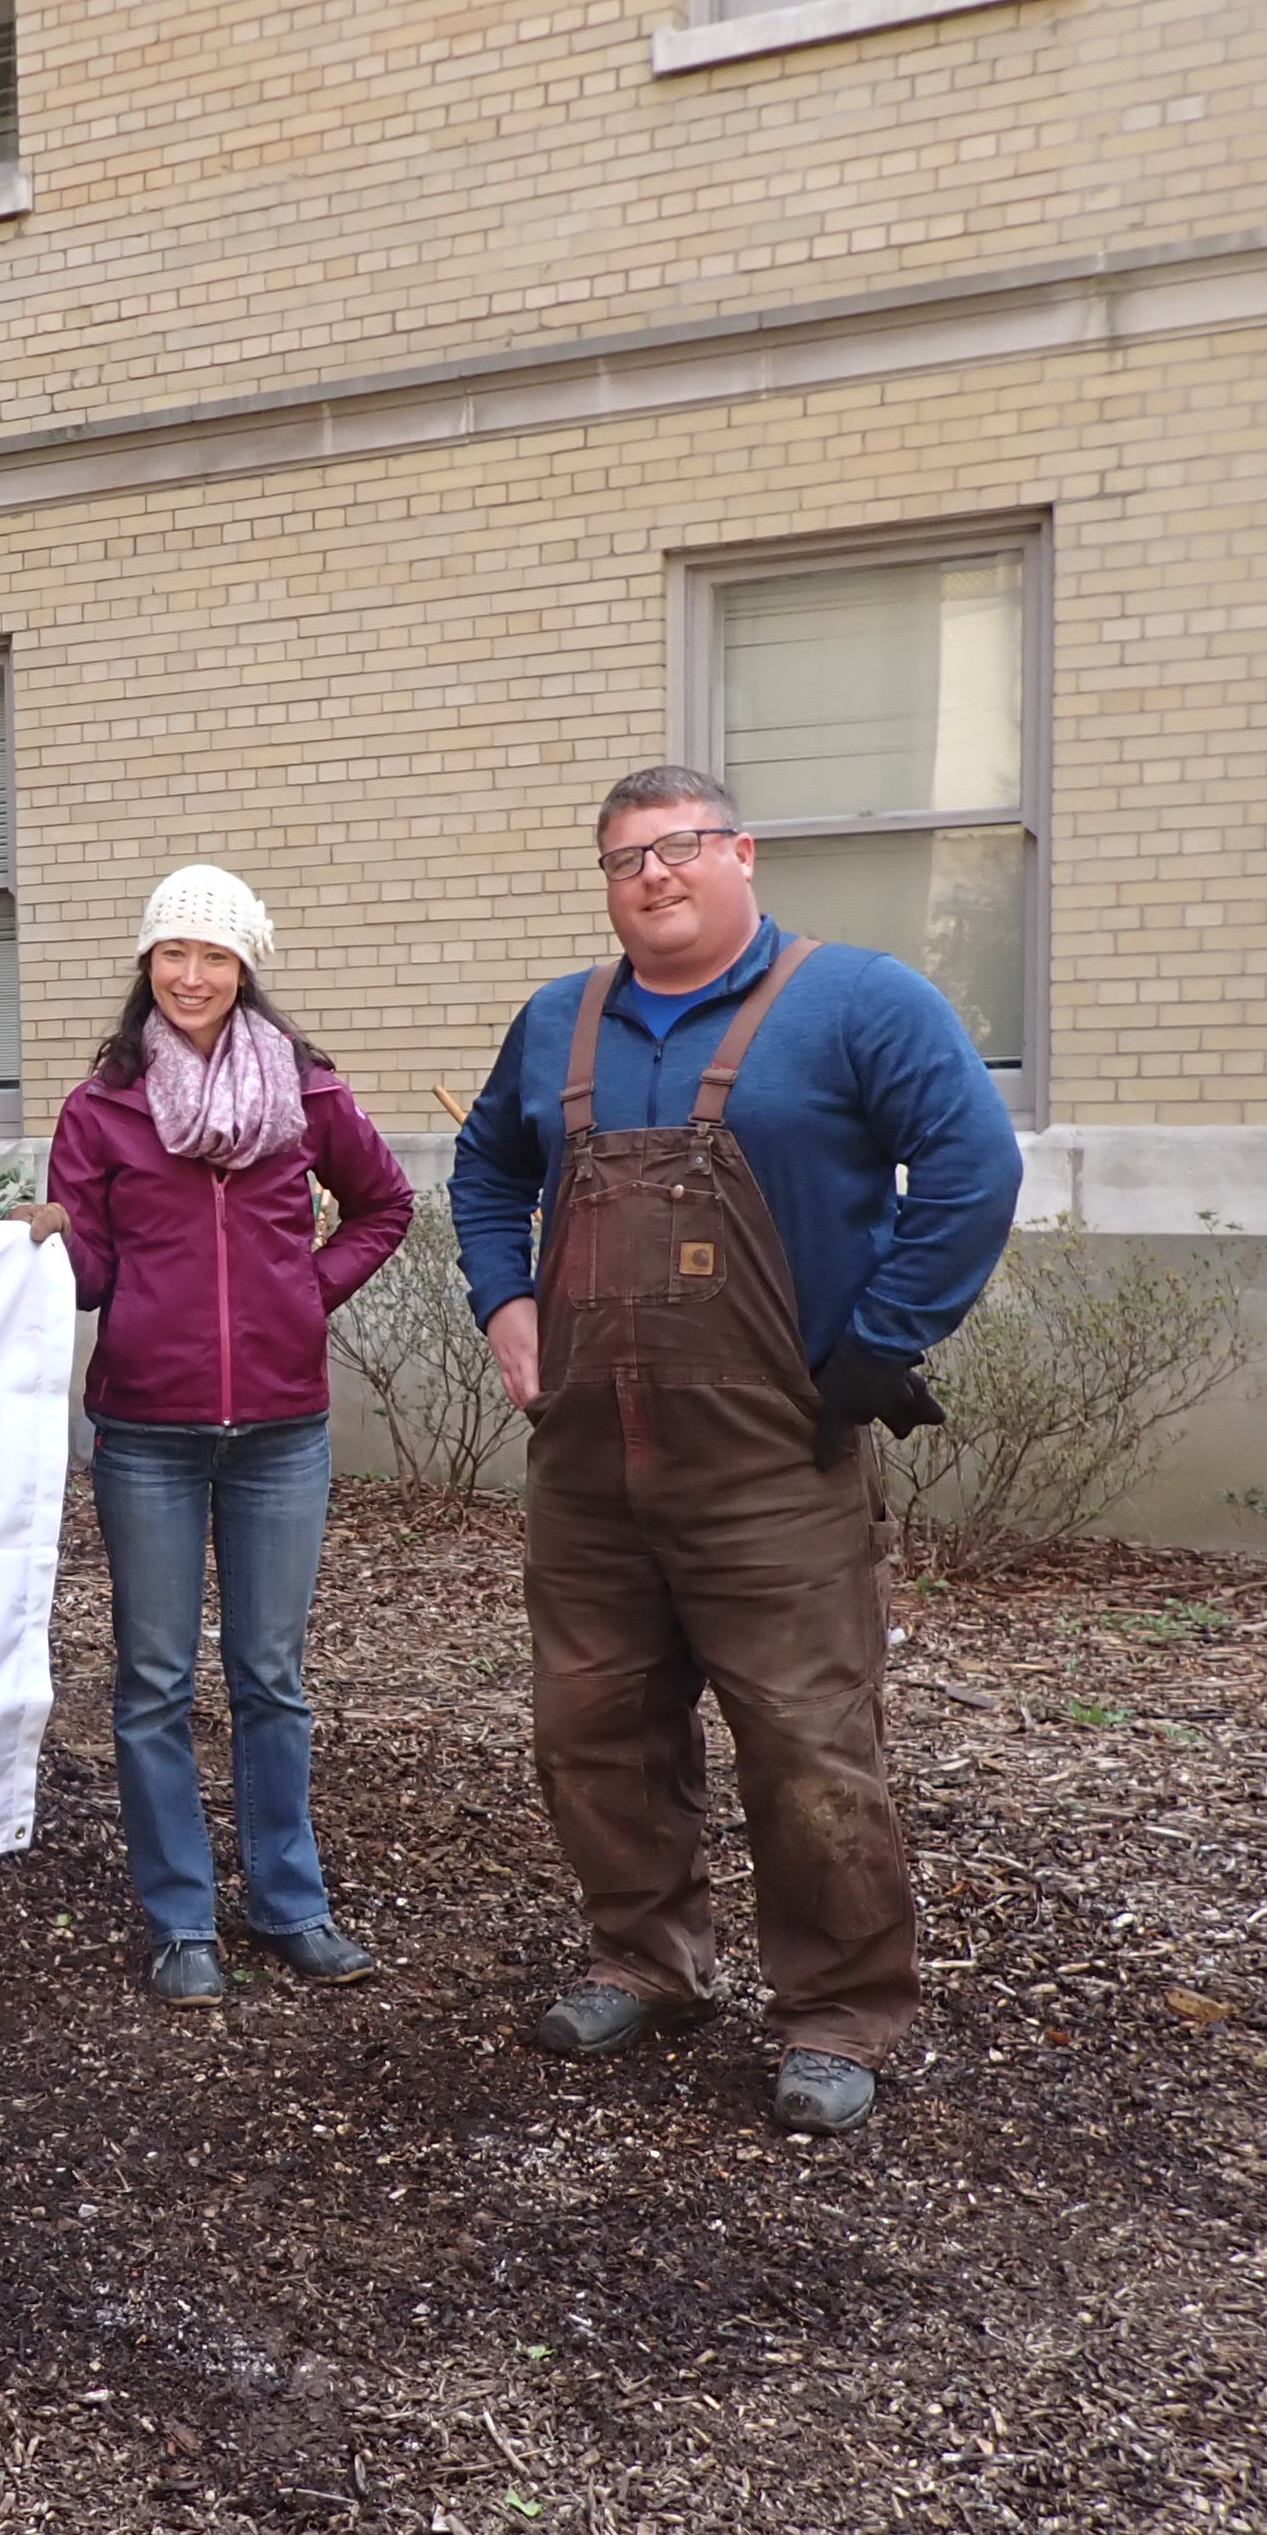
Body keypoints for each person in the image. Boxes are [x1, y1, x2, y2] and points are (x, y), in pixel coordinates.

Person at [449, 767, 1019, 2135]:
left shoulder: (857, 1002)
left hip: (774, 1456)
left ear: (743, 853)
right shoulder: (556, 1023)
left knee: (809, 1743)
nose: (653, 874)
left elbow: (972, 1164)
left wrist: (877, 1347)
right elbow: (483, 1174)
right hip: (589, 1464)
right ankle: (648, 1962)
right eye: (626, 857)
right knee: (595, 1730)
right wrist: (505, 1302)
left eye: (682, 847)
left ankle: (841, 2010)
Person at [30, 866, 414, 2007]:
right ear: (146, 967)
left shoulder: (306, 1093)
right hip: (145, 1428)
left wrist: (305, 1289)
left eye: (214, 957)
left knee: (269, 1678)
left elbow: (385, 1206)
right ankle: (180, 1918)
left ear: (245, 969)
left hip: (281, 1431)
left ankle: (290, 1904)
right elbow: (96, 1273)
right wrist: (53, 1237)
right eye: (171, 955)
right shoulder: (100, 1108)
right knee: (151, 1682)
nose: (191, 977)